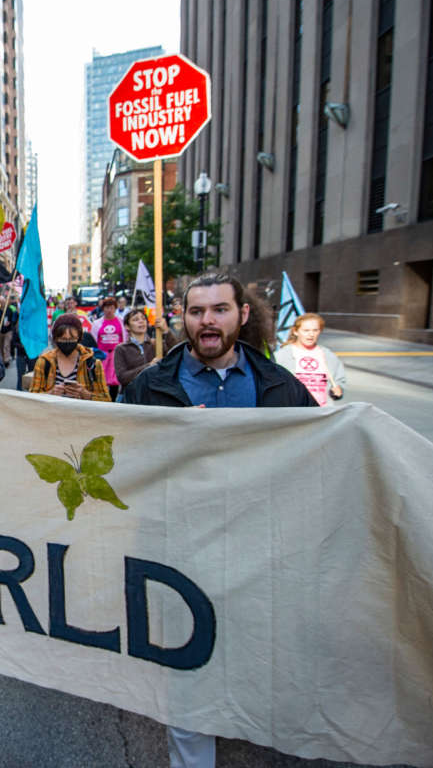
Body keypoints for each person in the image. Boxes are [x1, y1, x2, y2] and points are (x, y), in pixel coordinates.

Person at [120, 274, 315, 768]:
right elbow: (121, 461)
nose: (208, 321)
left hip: (258, 553)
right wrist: (174, 443)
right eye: (197, 311)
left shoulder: (279, 386)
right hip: (180, 551)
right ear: (182, 319)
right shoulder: (150, 385)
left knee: (250, 657)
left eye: (220, 310)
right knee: (188, 669)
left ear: (242, 316)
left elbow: (319, 453)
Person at [28, 314, 111, 401]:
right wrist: (50, 393)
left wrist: (86, 394)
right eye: (63, 339)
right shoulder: (44, 362)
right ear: (55, 338)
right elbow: (33, 397)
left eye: (72, 339)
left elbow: (106, 399)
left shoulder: (92, 364)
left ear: (79, 338)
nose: (67, 343)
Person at [274, 313, 346, 407]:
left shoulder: (328, 355)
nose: (311, 334)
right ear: (296, 331)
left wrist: (338, 389)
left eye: (315, 330)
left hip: (322, 410)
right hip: (295, 409)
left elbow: (339, 380)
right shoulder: (282, 355)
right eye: (306, 330)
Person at [112, 308, 176, 395]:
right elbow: (123, 377)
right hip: (131, 396)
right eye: (135, 319)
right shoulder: (121, 349)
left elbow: (176, 352)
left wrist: (166, 331)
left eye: (143, 318)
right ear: (127, 326)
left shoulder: (156, 344)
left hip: (153, 395)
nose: (141, 321)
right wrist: (149, 366)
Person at [0, 294, 18, 366]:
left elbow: (13, 319)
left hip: (8, 331)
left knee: (6, 345)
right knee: (0, 346)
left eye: (4, 302)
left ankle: (6, 360)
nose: (3, 303)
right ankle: (2, 359)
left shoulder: (9, 310)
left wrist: (10, 323)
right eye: (1, 302)